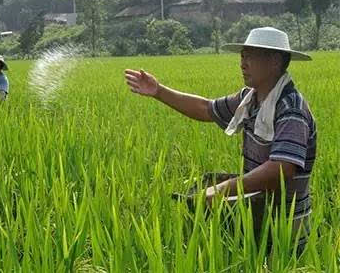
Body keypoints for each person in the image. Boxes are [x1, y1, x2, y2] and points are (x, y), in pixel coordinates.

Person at [124, 27, 316, 255]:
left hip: (286, 226)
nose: (242, 63)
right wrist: (158, 91)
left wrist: (223, 189)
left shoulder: (290, 108)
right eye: (242, 56)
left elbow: (281, 169)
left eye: (250, 56)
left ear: (274, 61)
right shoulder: (251, 98)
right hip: (259, 213)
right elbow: (206, 109)